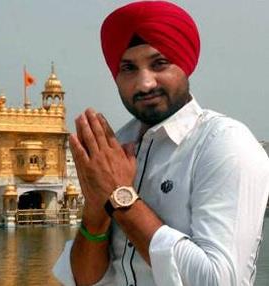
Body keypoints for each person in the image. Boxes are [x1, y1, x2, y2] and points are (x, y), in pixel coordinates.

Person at [53, 1, 269, 285]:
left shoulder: (224, 144)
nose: (145, 83)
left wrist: (121, 196)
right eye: (128, 68)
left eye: (159, 64)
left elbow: (218, 280)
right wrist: (96, 211)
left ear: (185, 65)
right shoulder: (118, 148)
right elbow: (86, 280)